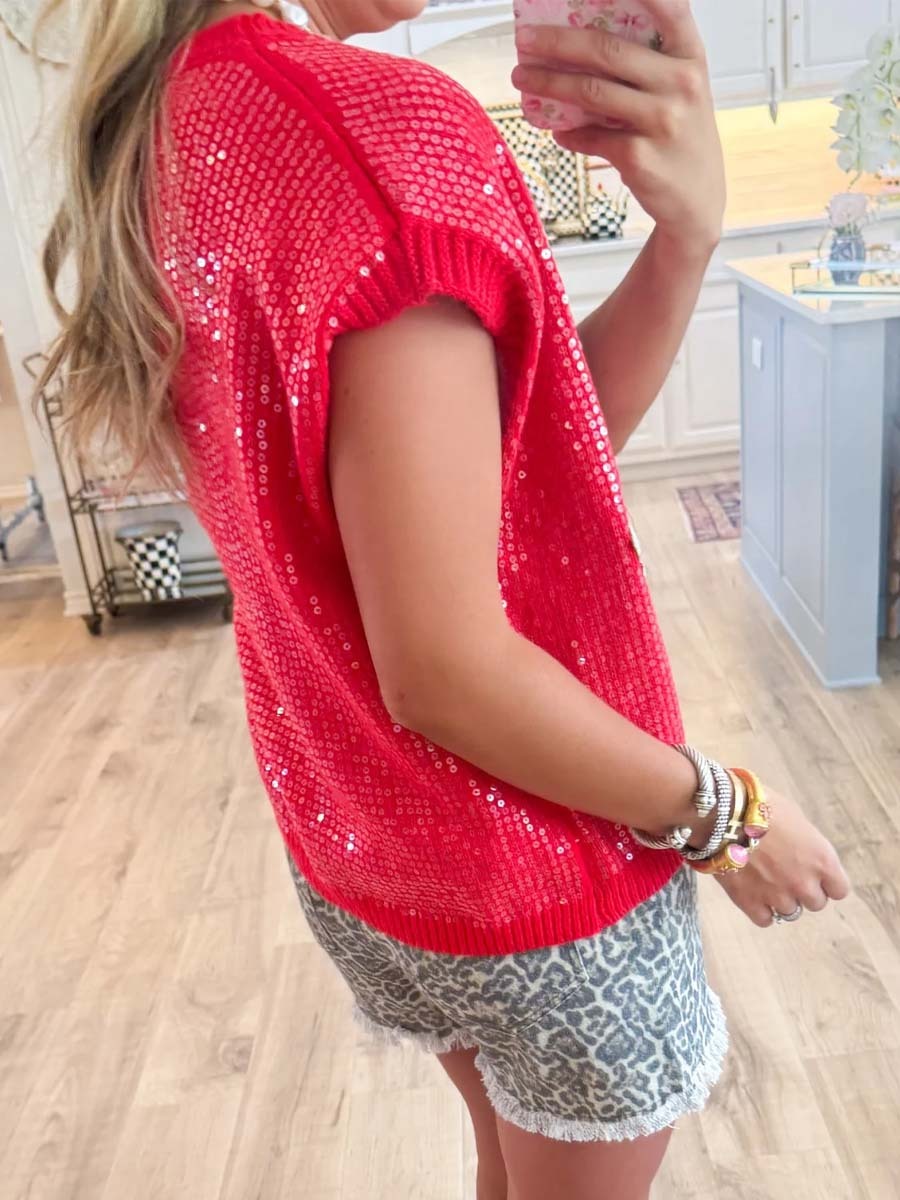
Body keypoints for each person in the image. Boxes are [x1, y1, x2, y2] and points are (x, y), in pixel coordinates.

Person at [39, 1, 850, 1196]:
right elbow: (448, 667)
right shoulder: (377, 135)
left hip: (366, 852)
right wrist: (727, 818)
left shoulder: (167, 119)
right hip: (541, 877)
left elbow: (517, 471)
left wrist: (683, 240)